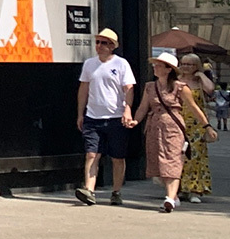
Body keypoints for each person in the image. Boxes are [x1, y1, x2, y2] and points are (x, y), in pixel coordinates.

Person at [134, 50, 218, 212]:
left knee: (175, 159)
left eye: (159, 65)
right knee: (159, 161)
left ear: (169, 69)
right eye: (155, 65)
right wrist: (135, 121)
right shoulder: (150, 87)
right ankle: (174, 194)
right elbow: (143, 107)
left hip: (177, 125)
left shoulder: (181, 87)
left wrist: (207, 126)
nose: (155, 68)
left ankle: (174, 197)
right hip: (155, 126)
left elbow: (195, 107)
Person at [76, 28, 136, 206]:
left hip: (115, 117)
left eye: (103, 43)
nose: (99, 46)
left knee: (117, 157)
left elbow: (129, 88)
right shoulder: (89, 64)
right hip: (93, 116)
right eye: (97, 42)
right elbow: (84, 89)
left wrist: (127, 110)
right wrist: (80, 113)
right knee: (92, 154)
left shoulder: (121, 64)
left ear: (112, 46)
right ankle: (89, 190)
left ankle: (116, 191)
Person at [176, 53, 215, 201]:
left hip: (197, 123)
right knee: (179, 155)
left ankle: (196, 189)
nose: (186, 67)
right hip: (179, 121)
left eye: (190, 64)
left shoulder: (198, 82)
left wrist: (201, 75)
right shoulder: (177, 80)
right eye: (184, 63)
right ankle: (181, 187)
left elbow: (210, 89)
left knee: (196, 156)